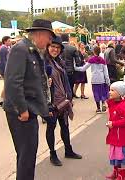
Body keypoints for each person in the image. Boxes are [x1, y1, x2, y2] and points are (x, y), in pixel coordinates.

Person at [3, 19, 55, 180]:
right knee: (27, 156)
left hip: (30, 109)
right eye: (48, 37)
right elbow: (12, 82)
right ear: (39, 34)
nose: (49, 41)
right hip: (21, 112)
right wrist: (22, 109)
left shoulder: (31, 50)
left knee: (28, 155)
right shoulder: (21, 49)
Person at [44, 36, 82, 167]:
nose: (55, 49)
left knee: (65, 126)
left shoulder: (59, 61)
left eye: (57, 48)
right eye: (52, 47)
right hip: (52, 102)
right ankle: (52, 154)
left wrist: (69, 97)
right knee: (51, 127)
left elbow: (65, 81)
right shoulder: (44, 63)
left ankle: (68, 150)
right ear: (47, 47)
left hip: (63, 100)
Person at [106, 81, 125, 180]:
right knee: (115, 156)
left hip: (121, 137)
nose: (109, 92)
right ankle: (116, 172)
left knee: (122, 158)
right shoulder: (113, 102)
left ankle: (122, 176)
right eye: (110, 90)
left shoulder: (123, 106)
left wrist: (113, 124)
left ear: (120, 93)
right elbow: (109, 104)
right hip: (115, 136)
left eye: (112, 90)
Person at [74, 46, 110, 113]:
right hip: (102, 79)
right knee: (102, 92)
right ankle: (103, 104)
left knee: (96, 93)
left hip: (94, 79)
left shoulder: (91, 60)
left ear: (94, 51)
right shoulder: (103, 60)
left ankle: (98, 108)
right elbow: (106, 72)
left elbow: (83, 69)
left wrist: (75, 68)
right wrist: (107, 81)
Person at [60, 34, 80, 98]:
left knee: (61, 86)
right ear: (68, 39)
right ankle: (70, 101)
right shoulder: (73, 48)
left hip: (60, 70)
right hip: (70, 70)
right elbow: (78, 61)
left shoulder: (58, 47)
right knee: (70, 87)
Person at [0, 36, 12, 106]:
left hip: (6, 69)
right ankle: (2, 100)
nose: (10, 42)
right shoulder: (3, 49)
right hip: (5, 70)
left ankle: (3, 99)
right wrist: (5, 70)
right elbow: (3, 61)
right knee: (7, 85)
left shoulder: (6, 48)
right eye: (9, 41)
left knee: (6, 85)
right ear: (5, 41)